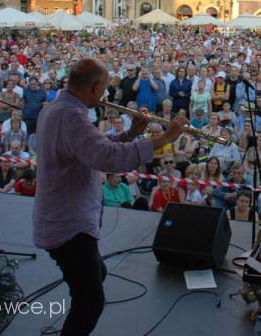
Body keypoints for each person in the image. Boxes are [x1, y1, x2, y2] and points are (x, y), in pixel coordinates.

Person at [33, 58, 183, 336]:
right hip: (69, 225)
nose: (105, 95)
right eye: (104, 89)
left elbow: (92, 147)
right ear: (95, 87)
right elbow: (108, 158)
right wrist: (165, 138)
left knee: (95, 276)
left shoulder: (56, 107)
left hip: (63, 218)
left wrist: (131, 133)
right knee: (90, 302)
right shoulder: (71, 116)